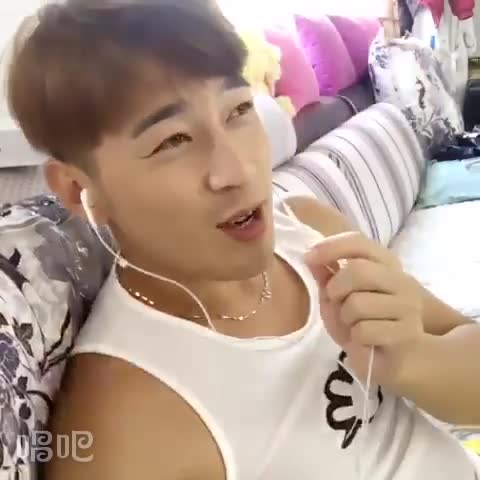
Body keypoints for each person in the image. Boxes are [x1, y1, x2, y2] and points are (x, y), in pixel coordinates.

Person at [7, 1, 480, 478]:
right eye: (173, 140)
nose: (238, 169)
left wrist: (414, 360)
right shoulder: (129, 425)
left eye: (238, 110)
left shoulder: (310, 230)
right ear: (78, 189)